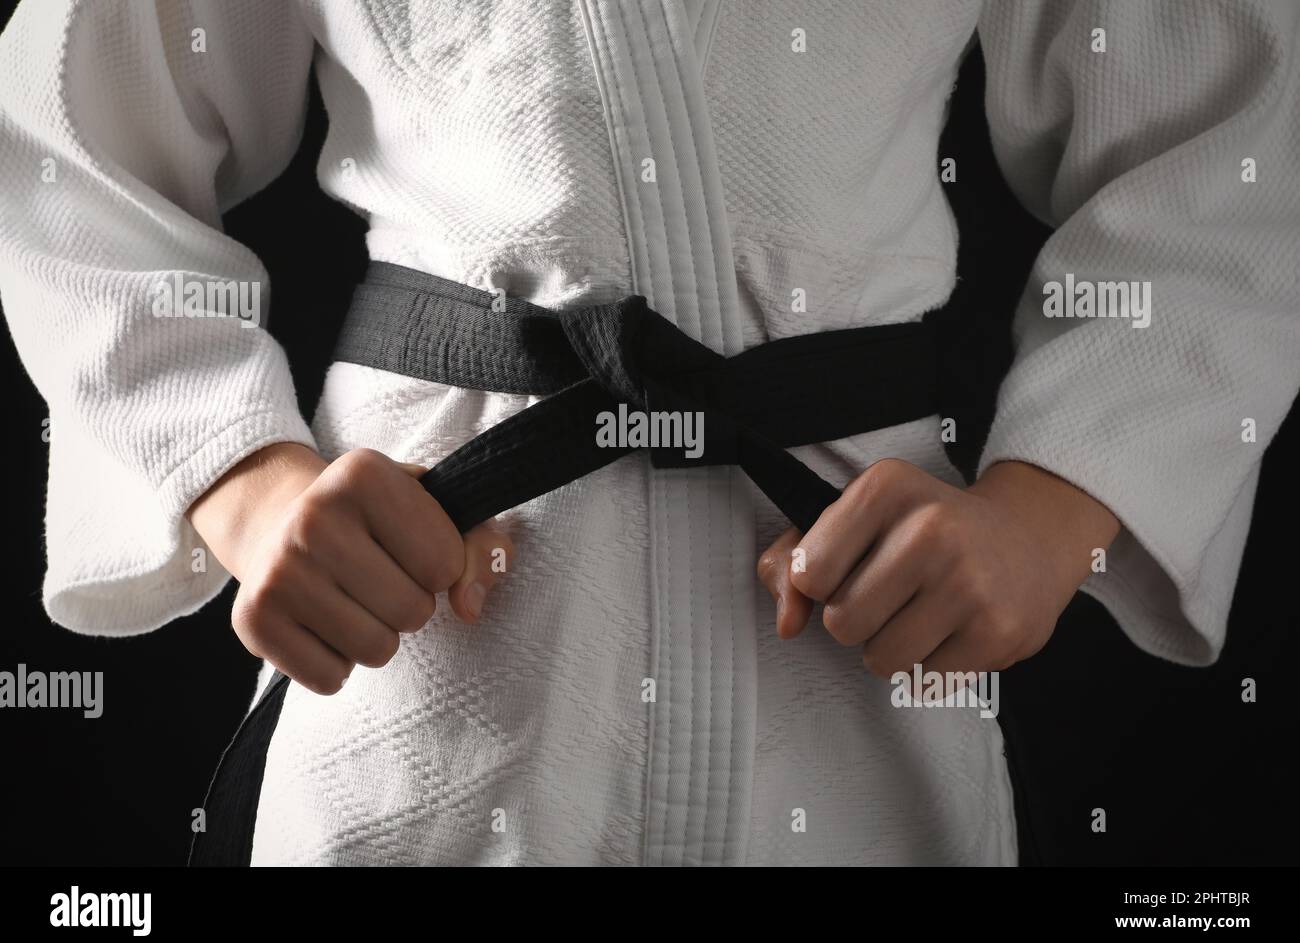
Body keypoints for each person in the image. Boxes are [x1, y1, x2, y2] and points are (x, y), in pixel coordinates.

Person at [1, 0, 1296, 866]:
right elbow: (70, 152)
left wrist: (1054, 508)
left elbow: (1234, 136)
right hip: (431, 577)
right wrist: (248, 480)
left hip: (861, 600)